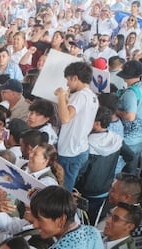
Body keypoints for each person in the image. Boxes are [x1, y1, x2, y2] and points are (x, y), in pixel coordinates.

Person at [55, 61, 99, 191]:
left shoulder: (80, 96)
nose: (67, 84)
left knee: (63, 191)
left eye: (68, 80)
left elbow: (65, 118)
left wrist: (61, 97)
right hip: (80, 148)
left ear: (75, 78)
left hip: (70, 151)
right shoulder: (92, 96)